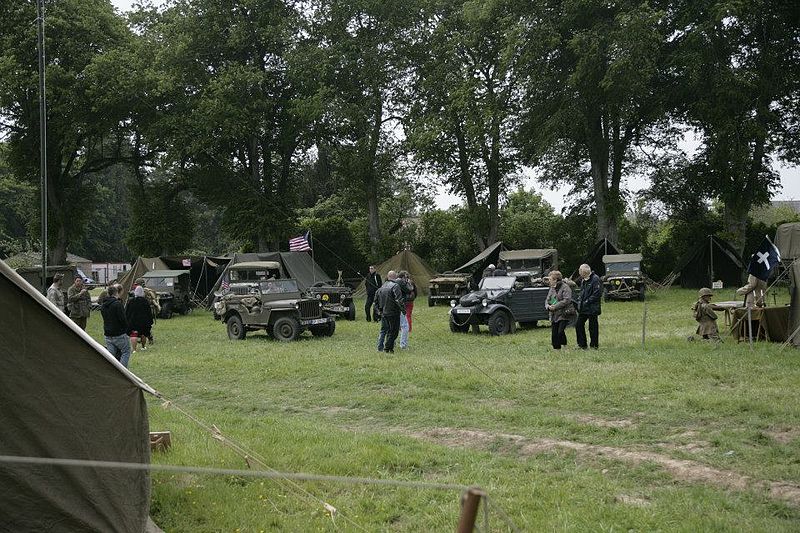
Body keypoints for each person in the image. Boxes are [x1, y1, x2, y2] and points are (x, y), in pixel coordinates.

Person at [101, 285, 132, 367]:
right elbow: (123, 320)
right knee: (126, 351)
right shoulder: (117, 304)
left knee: (111, 357)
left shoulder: (103, 305)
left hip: (108, 334)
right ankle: (123, 372)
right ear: (116, 293)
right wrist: (126, 330)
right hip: (119, 334)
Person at [375, 270, 404, 353]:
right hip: (393, 312)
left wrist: (379, 312)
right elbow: (399, 300)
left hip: (384, 313)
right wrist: (403, 310)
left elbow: (375, 302)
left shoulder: (381, 287)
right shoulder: (395, 286)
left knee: (387, 330)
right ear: (395, 277)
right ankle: (387, 348)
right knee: (394, 331)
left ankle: (389, 348)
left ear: (388, 277)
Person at [546, 270, 574, 350]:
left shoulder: (565, 287)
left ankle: (565, 346)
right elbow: (547, 299)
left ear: (555, 280)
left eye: (550, 279)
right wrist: (548, 306)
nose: (549, 281)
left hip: (564, 313)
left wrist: (555, 306)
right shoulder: (551, 288)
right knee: (554, 333)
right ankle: (556, 349)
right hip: (554, 314)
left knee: (560, 332)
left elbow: (567, 300)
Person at [575, 264, 601, 349]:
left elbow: (597, 294)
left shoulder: (595, 279)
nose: (579, 273)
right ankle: (582, 344)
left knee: (592, 327)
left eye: (580, 271)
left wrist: (587, 301)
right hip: (583, 308)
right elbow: (582, 292)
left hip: (592, 307)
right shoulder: (583, 280)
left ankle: (594, 345)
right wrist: (580, 301)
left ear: (584, 272)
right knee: (578, 325)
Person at [126, 286, 154, 353]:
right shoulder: (145, 302)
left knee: (133, 334)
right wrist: (150, 320)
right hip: (143, 322)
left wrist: (127, 319)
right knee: (143, 334)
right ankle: (143, 347)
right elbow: (149, 312)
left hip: (133, 321)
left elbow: (127, 312)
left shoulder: (131, 301)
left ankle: (134, 349)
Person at [396, 271, 417, 349]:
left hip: (397, 305)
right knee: (405, 325)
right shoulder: (401, 282)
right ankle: (403, 345)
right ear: (403, 277)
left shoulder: (393, 282)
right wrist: (408, 283)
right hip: (402, 304)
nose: (407, 278)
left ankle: (393, 342)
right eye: (406, 277)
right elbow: (410, 289)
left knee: (394, 325)